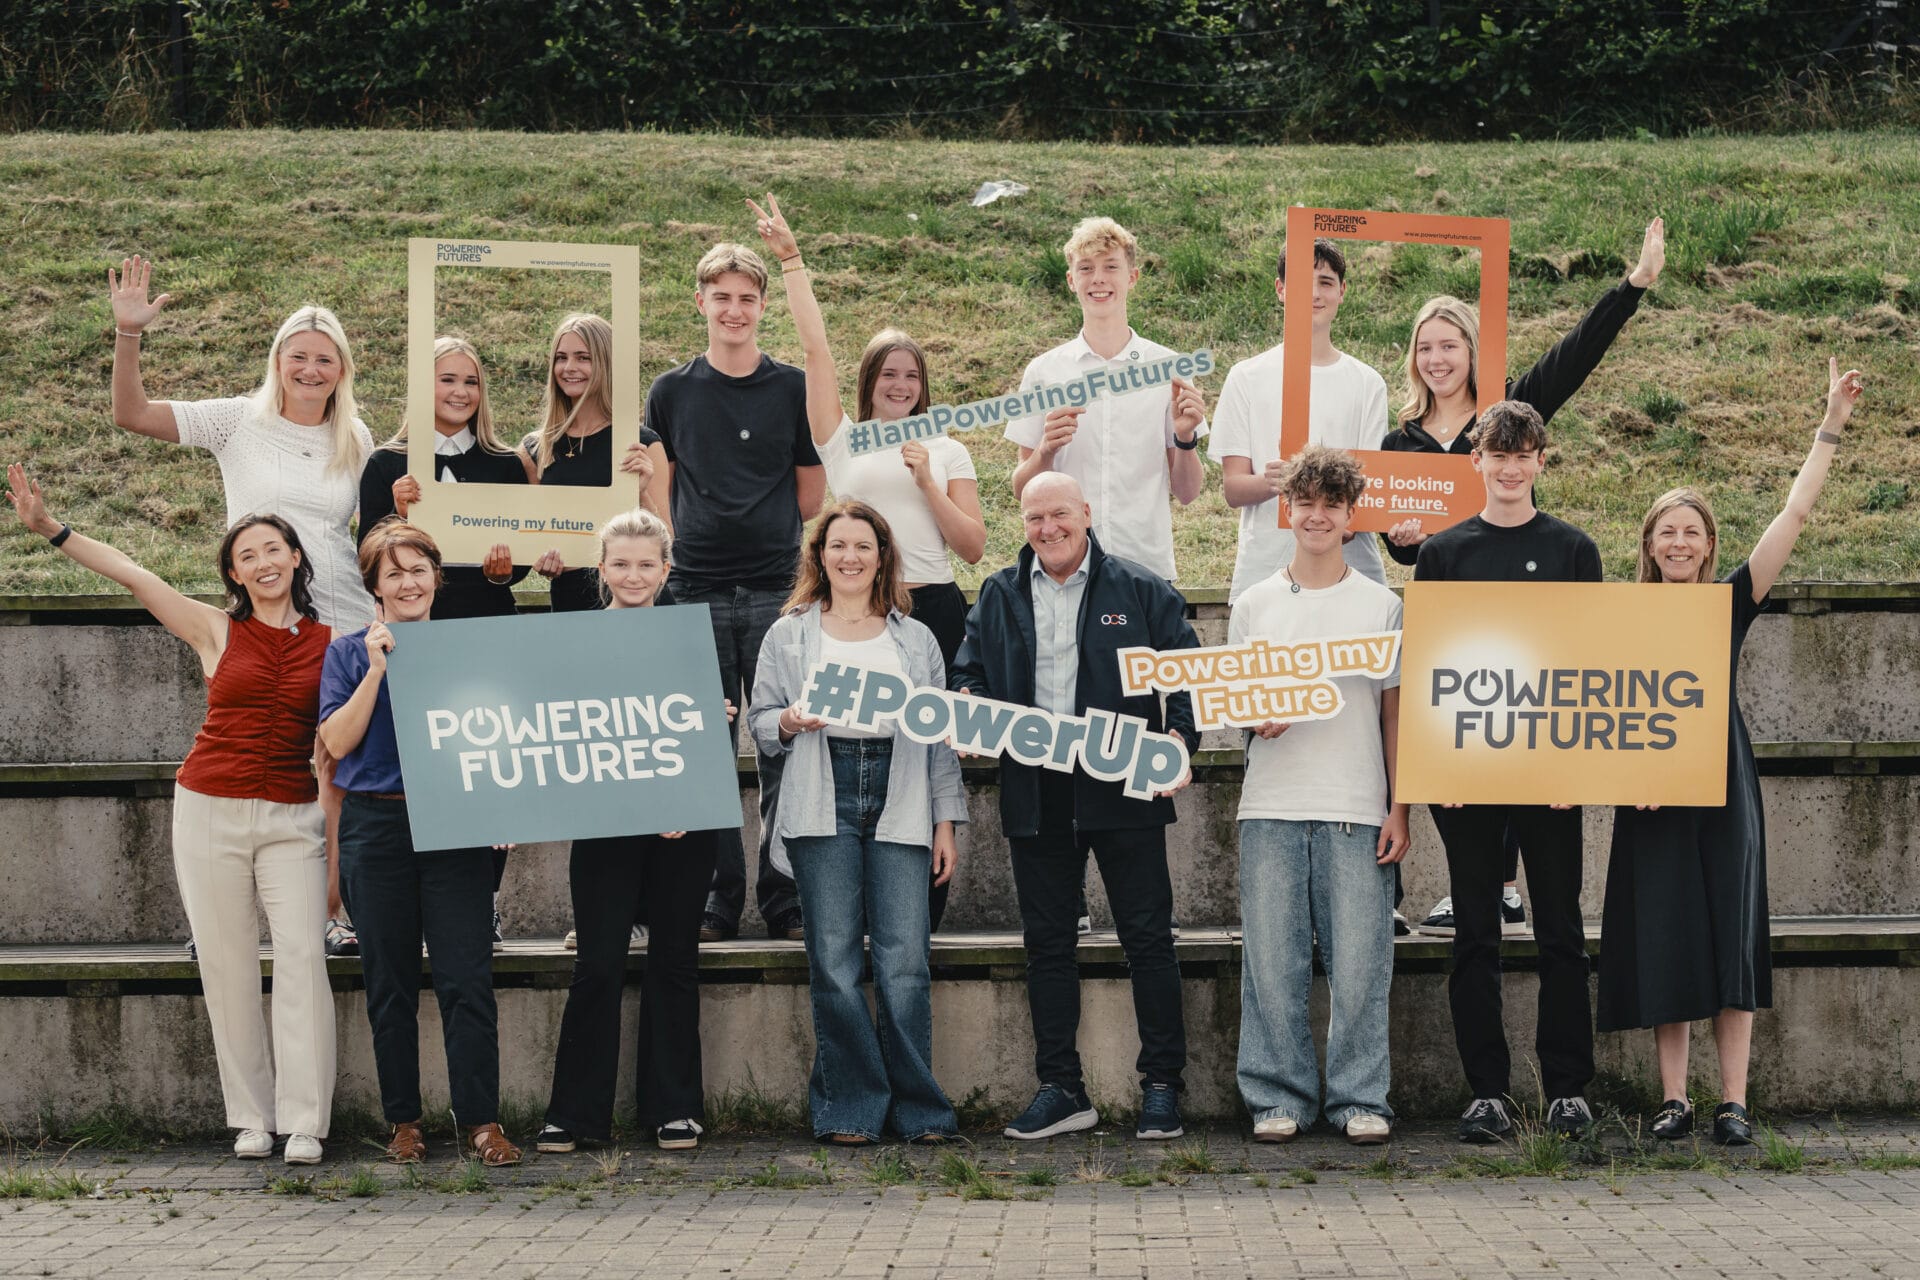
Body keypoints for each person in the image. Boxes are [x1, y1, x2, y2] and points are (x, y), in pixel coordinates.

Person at [8, 467, 335, 1165]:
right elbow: (134, 574)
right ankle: (251, 1117)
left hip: (294, 816)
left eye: (272, 549)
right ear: (235, 575)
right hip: (209, 807)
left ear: (297, 557)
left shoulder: (332, 641)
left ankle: (306, 1121)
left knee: (304, 960)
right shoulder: (214, 629)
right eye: (245, 556)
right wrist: (51, 529)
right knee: (227, 965)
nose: (261, 562)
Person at [1600, 359, 1865, 1148]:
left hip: (1722, 786)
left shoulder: (1730, 604)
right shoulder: (1616, 617)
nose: (1679, 542)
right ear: (1649, 545)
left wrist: (1830, 426)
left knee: (1729, 935)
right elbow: (1596, 714)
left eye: (1692, 532)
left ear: (1709, 545)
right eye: (1666, 531)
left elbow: (1795, 511)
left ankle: (1735, 1103)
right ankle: (1676, 1100)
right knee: (1666, 937)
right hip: (1649, 790)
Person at [1386, 218, 1666, 939]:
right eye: (1426, 347)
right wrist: (1402, 538)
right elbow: (1396, 542)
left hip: (1522, 603)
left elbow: (1573, 358)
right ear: (1413, 361)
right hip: (1454, 611)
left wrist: (1630, 287)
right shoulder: (1398, 440)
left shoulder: (1506, 413)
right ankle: (1467, 884)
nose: (1438, 357)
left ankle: (1507, 884)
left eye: (1450, 344)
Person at [108, 255, 376, 957]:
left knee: (328, 775)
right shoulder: (236, 421)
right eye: (298, 357)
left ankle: (327, 916)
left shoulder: (357, 439)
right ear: (277, 360)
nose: (311, 370)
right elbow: (130, 414)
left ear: (342, 369)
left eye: (325, 359)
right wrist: (129, 335)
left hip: (340, 623)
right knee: (252, 768)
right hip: (261, 623)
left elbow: (364, 538)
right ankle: (225, 926)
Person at [748, 193, 986, 931]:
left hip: (934, 608)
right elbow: (815, 348)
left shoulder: (946, 447)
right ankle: (815, 901)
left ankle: (923, 906)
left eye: (912, 376)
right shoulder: (842, 440)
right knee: (837, 750)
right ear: (870, 382)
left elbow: (974, 545)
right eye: (888, 375)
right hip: (855, 611)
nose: (901, 385)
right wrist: (791, 260)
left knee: (931, 752)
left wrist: (924, 479)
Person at [952, 471, 1200, 1142]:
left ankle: (1161, 1089)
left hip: (1124, 784)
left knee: (1148, 941)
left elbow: (1185, 672)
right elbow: (967, 671)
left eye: (1059, 514)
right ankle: (1061, 1088)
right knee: (1048, 945)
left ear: (1086, 513)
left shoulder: (1141, 590)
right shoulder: (1000, 593)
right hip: (1038, 791)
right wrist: (970, 703)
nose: (1048, 528)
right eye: (1035, 518)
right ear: (1023, 523)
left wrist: (1178, 738)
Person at [1413, 402, 1603, 1143]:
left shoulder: (1573, 550)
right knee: (1476, 939)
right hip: (1466, 775)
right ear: (1477, 462)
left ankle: (1567, 1090)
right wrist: (1438, 766)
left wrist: (1575, 766)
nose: (1511, 466)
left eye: (1524, 454)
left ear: (1541, 463)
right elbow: (1432, 666)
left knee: (1560, 933)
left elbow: (1588, 663)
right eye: (1499, 454)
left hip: (1551, 772)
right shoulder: (1444, 553)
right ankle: (1486, 1091)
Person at [749, 499, 965, 1145]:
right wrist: (789, 721)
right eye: (837, 545)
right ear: (820, 555)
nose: (850, 557)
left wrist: (945, 821)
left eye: (862, 547)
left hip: (899, 793)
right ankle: (850, 1107)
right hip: (823, 795)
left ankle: (919, 1109)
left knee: (905, 964)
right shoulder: (789, 633)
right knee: (835, 964)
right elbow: (760, 723)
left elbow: (939, 739)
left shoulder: (914, 637)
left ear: (881, 557)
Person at [317, 520, 520, 1167]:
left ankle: (482, 1123)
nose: (408, 582)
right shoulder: (348, 654)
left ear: (437, 577)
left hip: (456, 827)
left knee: (467, 980)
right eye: (394, 572)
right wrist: (377, 670)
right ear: (375, 586)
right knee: (390, 983)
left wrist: (504, 808)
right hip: (375, 827)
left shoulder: (468, 648)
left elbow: (498, 736)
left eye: (418, 569)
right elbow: (338, 744)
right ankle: (404, 1122)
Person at [644, 242, 825, 944]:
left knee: (787, 747)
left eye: (747, 297)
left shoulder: (788, 390)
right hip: (694, 588)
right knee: (704, 752)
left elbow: (810, 496)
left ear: (762, 306)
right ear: (701, 304)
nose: (734, 309)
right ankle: (717, 900)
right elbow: (656, 490)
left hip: (780, 589)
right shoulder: (670, 391)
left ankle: (784, 898)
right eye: (721, 297)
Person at [1230, 446, 1409, 1147]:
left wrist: (1401, 805)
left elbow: (1395, 714)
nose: (1317, 515)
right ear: (1288, 509)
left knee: (1362, 964)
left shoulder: (1383, 605)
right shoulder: (1254, 603)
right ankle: (1277, 1096)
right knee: (1271, 964)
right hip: (1271, 805)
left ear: (1350, 517)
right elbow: (1234, 706)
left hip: (1357, 806)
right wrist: (1254, 714)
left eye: (1332, 504)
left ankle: (1361, 1097)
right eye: (1306, 502)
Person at [537, 509, 723, 1154]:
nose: (634, 574)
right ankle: (574, 1114)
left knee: (675, 960)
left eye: (647, 564)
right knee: (598, 964)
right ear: (602, 569)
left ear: (666, 569)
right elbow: (565, 730)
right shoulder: (575, 638)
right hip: (604, 825)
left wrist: (685, 800)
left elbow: (708, 728)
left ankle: (673, 1108)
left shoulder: (692, 635)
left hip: (682, 826)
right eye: (621, 563)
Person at [360, 335, 531, 947]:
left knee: (491, 763)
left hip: (488, 632)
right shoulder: (388, 465)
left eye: (471, 381)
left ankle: (482, 900)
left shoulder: (507, 465)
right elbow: (372, 552)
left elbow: (525, 560)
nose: (460, 392)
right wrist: (396, 510)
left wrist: (505, 569)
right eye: (447, 379)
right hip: (417, 639)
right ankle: (423, 898)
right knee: (430, 763)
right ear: (420, 386)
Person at [1007, 217, 1209, 583]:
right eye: (1085, 268)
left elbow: (1188, 492)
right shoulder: (1042, 372)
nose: (1098, 279)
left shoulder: (1169, 369)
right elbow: (1022, 491)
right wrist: (1045, 450)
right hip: (1065, 570)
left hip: (1145, 568)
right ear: (1071, 280)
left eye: (1111, 267)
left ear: (1132, 277)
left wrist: (1184, 438)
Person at [1212, 237, 1389, 603]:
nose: (1314, 294)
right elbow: (1233, 489)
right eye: (1300, 282)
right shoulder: (1247, 376)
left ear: (1342, 291)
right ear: (1280, 289)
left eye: (1325, 282)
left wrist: (1342, 518)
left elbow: (1372, 486)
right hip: (1265, 571)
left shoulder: (1367, 382)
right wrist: (1271, 481)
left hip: (1352, 574)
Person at [521, 313, 670, 613]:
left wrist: (640, 493)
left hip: (638, 602)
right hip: (570, 600)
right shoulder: (535, 449)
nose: (569, 368)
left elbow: (666, 539)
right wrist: (538, 556)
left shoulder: (641, 443)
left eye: (583, 358)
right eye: (561, 358)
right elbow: (527, 533)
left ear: (605, 363)